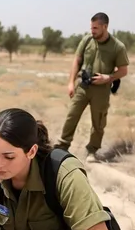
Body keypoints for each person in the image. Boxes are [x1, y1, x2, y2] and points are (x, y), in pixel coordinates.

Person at [54, 12, 129, 163]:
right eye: (91, 27)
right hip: (83, 86)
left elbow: (123, 70)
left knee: (98, 122)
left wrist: (108, 78)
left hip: (101, 90)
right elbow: (77, 60)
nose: (92, 31)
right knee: (72, 115)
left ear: (105, 27)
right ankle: (62, 146)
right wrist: (71, 82)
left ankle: (92, 151)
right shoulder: (87, 40)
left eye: (95, 28)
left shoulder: (117, 47)